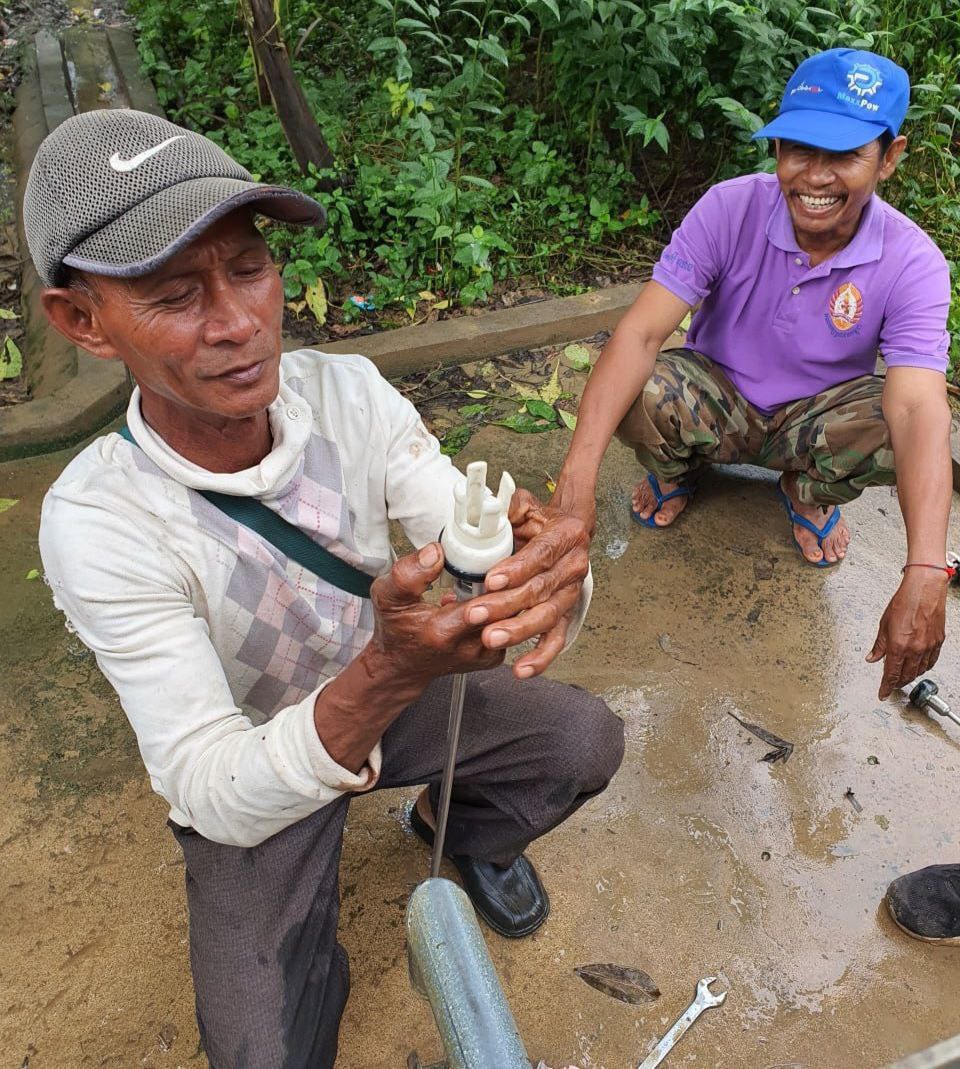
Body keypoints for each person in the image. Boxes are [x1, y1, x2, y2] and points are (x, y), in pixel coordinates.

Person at [28, 109, 624, 1068]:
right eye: (177, 292)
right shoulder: (99, 521)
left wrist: (544, 576)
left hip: (391, 691)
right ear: (82, 321)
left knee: (581, 740)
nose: (238, 323)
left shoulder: (349, 395)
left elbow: (465, 534)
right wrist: (387, 674)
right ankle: (310, 949)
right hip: (258, 765)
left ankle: (449, 825)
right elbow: (208, 784)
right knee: (267, 1052)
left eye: (251, 268)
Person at [552, 47, 956, 947]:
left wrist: (926, 568)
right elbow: (641, 329)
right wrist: (577, 480)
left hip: (809, 421)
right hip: (722, 396)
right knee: (646, 384)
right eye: (795, 148)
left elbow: (921, 403)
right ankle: (682, 469)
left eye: (843, 154)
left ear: (889, 157)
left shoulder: (915, 261)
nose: (812, 176)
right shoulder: (732, 206)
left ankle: (810, 491)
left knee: (908, 419)